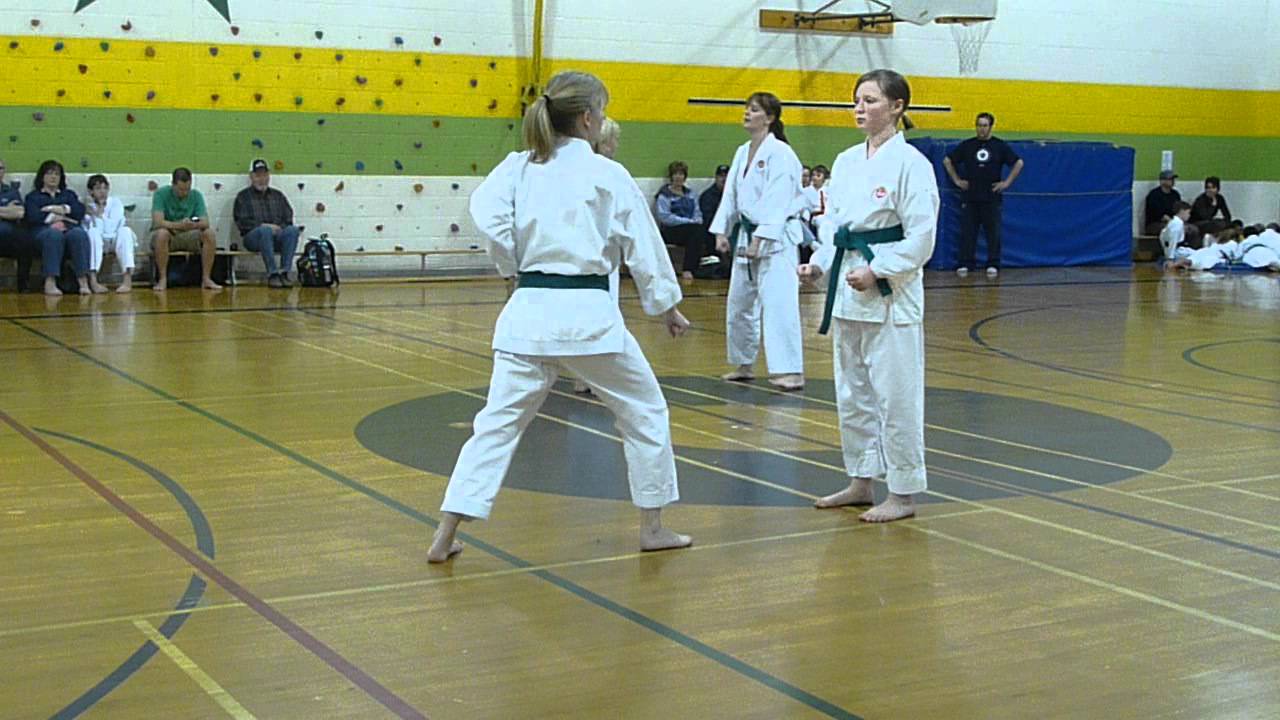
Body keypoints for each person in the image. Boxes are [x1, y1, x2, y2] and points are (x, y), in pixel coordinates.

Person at [428, 70, 693, 563]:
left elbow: (487, 217)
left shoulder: (517, 167)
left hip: (528, 315)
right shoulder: (607, 174)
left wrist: (512, 265)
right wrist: (665, 306)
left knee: (496, 426)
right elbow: (646, 247)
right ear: (590, 118)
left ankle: (444, 535)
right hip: (589, 322)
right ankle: (653, 526)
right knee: (645, 412)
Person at [797, 68, 939, 523]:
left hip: (890, 294)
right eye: (857, 100)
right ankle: (861, 480)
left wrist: (878, 270)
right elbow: (835, 226)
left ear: (897, 107)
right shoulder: (844, 161)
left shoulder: (912, 164)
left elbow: (922, 238)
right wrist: (818, 262)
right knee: (853, 392)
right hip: (846, 287)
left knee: (895, 396)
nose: (860, 107)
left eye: (871, 100)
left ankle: (902, 492)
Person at [709, 92, 807, 391]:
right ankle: (743, 364)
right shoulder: (742, 151)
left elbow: (778, 200)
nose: (747, 114)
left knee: (779, 305)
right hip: (745, 233)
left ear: (771, 118)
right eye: (746, 109)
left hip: (776, 241)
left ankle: (790, 370)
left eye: (754, 110)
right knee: (739, 304)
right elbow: (731, 196)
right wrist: (722, 230)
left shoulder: (782, 154)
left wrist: (760, 238)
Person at [943, 112, 1023, 278]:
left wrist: (1006, 183)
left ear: (991, 127)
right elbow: (947, 160)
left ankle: (993, 263)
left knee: (993, 232)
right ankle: (965, 263)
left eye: (985, 125)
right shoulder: (968, 145)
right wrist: (957, 180)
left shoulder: (999, 146)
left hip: (991, 197)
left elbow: (1018, 162)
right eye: (979, 125)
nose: (981, 129)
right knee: (968, 232)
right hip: (971, 197)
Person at [23, 159, 90, 296]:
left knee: (79, 234)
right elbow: (33, 216)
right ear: (42, 177)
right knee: (53, 235)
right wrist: (54, 218)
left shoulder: (68, 195)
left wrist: (62, 209)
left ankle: (83, 281)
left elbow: (79, 211)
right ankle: (50, 281)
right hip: (42, 231)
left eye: (57, 174)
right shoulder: (33, 196)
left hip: (68, 228)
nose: (53, 177)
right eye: (49, 173)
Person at [150, 167, 221, 291]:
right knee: (161, 234)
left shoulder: (196, 195)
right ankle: (162, 279)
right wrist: (178, 225)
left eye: (187, 189)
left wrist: (192, 225)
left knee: (209, 234)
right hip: (170, 234)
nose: (185, 193)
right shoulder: (160, 194)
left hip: (189, 233)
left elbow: (205, 222)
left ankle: (206, 278)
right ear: (173, 185)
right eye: (181, 189)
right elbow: (158, 222)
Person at [234, 159, 300, 288]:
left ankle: (285, 272)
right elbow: (242, 223)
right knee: (265, 231)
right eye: (258, 175)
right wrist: (264, 226)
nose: (261, 179)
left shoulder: (278, 196)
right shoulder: (243, 197)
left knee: (293, 230)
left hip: (277, 236)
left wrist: (280, 228)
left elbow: (288, 218)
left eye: (264, 175)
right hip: (253, 238)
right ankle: (273, 274)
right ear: (251, 177)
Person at [84, 174, 138, 293]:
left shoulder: (115, 203)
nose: (102, 192)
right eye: (98, 188)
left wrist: (99, 213)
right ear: (91, 191)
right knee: (92, 233)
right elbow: (90, 227)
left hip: (114, 239)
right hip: (98, 241)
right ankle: (93, 281)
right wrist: (96, 212)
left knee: (125, 231)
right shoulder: (87, 207)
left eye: (105, 188)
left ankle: (127, 280)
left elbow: (113, 225)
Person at [654, 160, 705, 280]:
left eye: (681, 174)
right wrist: (687, 221)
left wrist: (697, 220)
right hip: (671, 230)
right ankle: (688, 269)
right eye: (675, 174)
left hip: (691, 229)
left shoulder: (691, 194)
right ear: (671, 176)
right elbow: (665, 217)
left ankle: (696, 266)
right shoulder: (664, 195)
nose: (678, 177)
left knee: (699, 231)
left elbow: (697, 212)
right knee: (695, 231)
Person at [0, 159, 39, 292]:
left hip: (7, 238)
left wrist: (10, 212)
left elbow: (19, 213)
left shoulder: (11, 191)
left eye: (0, 168)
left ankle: (23, 285)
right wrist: (5, 210)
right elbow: (11, 212)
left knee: (25, 240)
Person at [1144, 170, 1200, 247]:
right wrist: (1175, 224)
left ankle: (1190, 250)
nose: (1173, 181)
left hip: (1172, 221)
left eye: (1173, 179)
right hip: (1155, 224)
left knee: (1193, 229)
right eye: (1170, 179)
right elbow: (1160, 215)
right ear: (1162, 181)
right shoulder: (1154, 195)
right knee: (1179, 228)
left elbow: (1179, 210)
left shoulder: (1175, 194)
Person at [699, 164, 731, 277]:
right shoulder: (708, 196)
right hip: (714, 233)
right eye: (721, 176)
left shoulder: (734, 196)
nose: (724, 179)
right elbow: (708, 220)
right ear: (716, 177)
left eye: (727, 176)